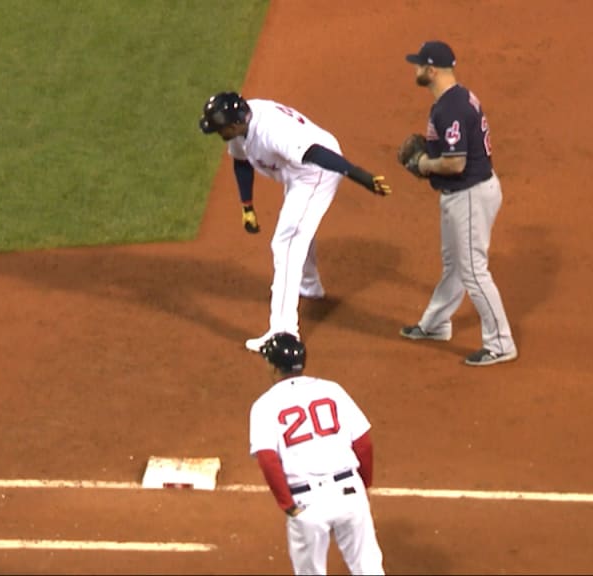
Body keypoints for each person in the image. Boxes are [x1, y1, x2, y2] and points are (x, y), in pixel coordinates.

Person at [199, 92, 391, 352]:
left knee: (286, 243)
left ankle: (283, 332)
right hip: (295, 169)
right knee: (300, 227)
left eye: (220, 128)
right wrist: (247, 207)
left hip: (317, 169)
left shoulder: (272, 131)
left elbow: (315, 154)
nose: (218, 133)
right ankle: (309, 285)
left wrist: (361, 176)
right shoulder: (242, 123)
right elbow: (241, 161)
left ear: (233, 124)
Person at [398, 40, 518, 367]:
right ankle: (435, 324)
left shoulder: (449, 108)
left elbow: (455, 163)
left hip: (469, 194)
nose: (416, 68)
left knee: (474, 272)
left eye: (419, 64)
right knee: (454, 265)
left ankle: (500, 344)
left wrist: (424, 164)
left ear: (432, 69)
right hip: (465, 193)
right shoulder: (458, 97)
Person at [248, 332, 385, 575]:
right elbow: (363, 443)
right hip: (349, 491)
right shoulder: (332, 390)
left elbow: (268, 460)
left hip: (307, 502)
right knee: (369, 568)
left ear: (273, 366)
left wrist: (287, 505)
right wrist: (363, 486)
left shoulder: (264, 405)